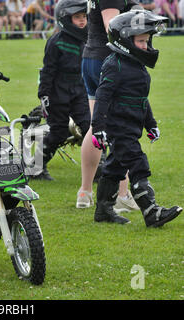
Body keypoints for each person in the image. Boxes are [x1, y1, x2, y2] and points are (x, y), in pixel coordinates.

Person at [91, 9, 182, 226]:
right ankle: (151, 212)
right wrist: (97, 127)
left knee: (114, 167)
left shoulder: (137, 65)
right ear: (124, 40)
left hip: (131, 126)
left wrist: (150, 124)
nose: (145, 46)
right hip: (119, 128)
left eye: (147, 41)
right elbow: (102, 97)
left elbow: (142, 99)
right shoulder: (115, 64)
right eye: (141, 41)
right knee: (138, 163)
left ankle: (103, 211)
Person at [76, 0, 141, 213]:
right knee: (120, 128)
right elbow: (112, 25)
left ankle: (85, 193)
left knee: (96, 127)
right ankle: (122, 194)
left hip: (91, 57)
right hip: (107, 59)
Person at [33, 0, 90, 180]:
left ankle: (98, 168)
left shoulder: (89, 40)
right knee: (59, 133)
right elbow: (47, 70)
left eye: (84, 17)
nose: (82, 21)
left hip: (79, 90)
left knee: (90, 128)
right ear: (65, 18)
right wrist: (43, 94)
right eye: (77, 17)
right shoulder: (56, 42)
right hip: (58, 93)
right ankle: (36, 168)